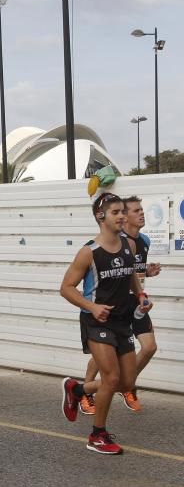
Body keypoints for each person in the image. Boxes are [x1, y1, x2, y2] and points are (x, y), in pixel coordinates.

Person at [59, 193, 151, 455]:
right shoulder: (89, 252)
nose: (122, 216)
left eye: (123, 211)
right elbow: (66, 288)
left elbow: (131, 272)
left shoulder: (129, 246)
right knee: (110, 378)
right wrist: (92, 307)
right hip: (96, 320)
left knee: (125, 383)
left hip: (122, 320)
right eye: (115, 212)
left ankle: (75, 389)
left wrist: (141, 295)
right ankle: (97, 435)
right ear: (101, 217)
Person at [78, 195, 160, 414]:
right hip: (108, 309)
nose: (139, 214)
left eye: (131, 211)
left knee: (150, 347)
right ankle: (85, 392)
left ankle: (127, 385)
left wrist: (146, 279)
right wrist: (93, 306)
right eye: (134, 211)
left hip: (134, 303)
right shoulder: (106, 243)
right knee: (107, 360)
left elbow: (130, 273)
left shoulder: (142, 241)